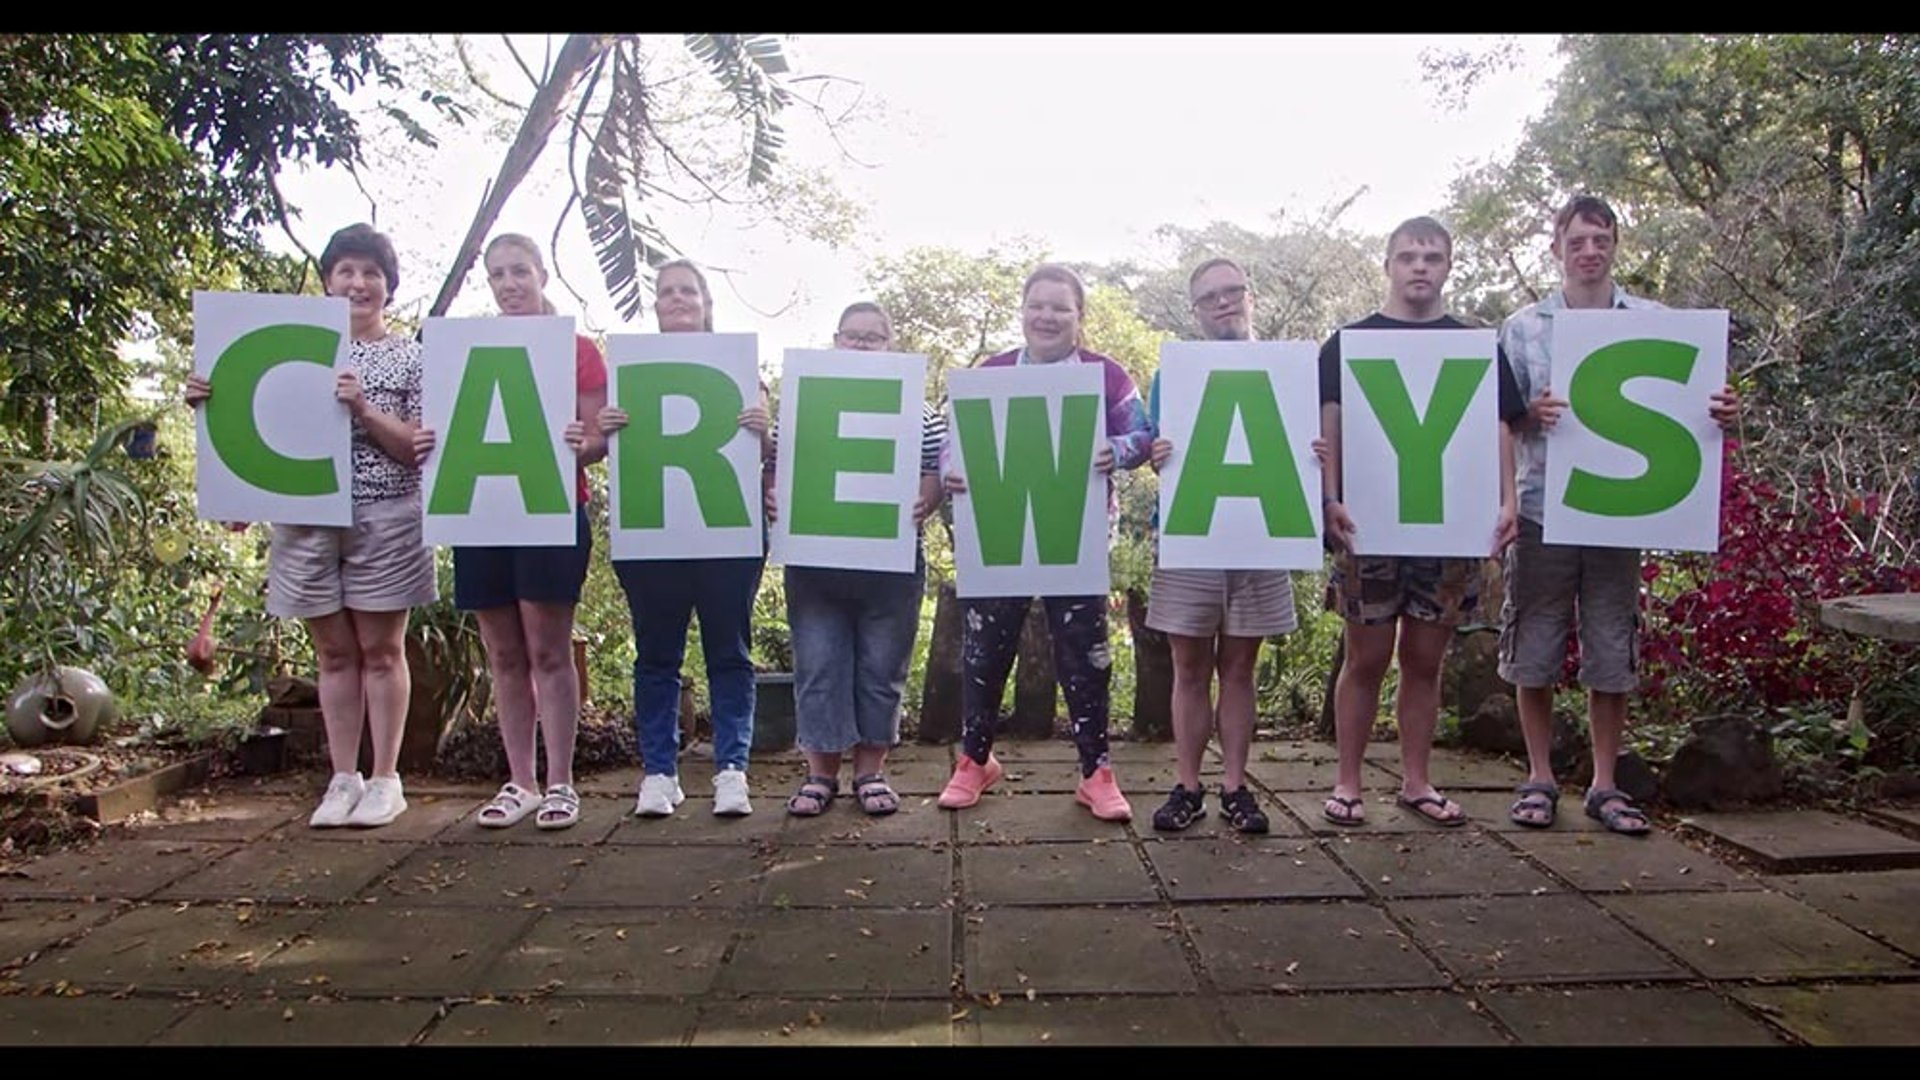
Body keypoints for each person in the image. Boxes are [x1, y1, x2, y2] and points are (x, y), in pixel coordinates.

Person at [1497, 194, 1740, 836]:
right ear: (1556, 248)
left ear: (1613, 246)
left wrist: (1719, 412)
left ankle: (1606, 784)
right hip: (1543, 508)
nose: (1589, 251)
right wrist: (1530, 416)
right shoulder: (1521, 328)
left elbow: (1690, 410)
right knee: (1535, 644)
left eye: (1600, 239)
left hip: (1619, 515)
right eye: (1576, 240)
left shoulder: (1656, 323)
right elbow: (1498, 422)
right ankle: (1540, 777)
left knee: (1612, 643)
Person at [184, 223, 437, 829]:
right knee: (332, 653)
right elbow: (252, 433)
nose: (359, 283)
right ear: (327, 281)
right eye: (346, 270)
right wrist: (209, 403)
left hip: (386, 513)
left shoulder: (412, 355)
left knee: (381, 650)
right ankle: (342, 777)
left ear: (389, 287)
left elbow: (419, 448)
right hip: (305, 515)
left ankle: (385, 780)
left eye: (372, 273)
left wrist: (363, 408)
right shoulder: (283, 346)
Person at [1318, 216, 1525, 828]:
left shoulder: (1476, 345)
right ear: (1387, 265)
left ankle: (1416, 781)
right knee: (1365, 657)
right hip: (1368, 525)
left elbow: (1500, 426)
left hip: (1449, 527)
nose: (1419, 266)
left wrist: (1507, 501)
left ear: (1448, 267)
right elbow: (1330, 424)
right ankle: (1348, 783)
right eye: (1408, 255)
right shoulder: (1347, 342)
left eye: (1432, 257)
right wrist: (1329, 499)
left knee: (1426, 661)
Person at [937, 263, 1153, 822]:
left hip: (1073, 537)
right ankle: (974, 760)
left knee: (1085, 657)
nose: (1047, 316)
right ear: (1023, 310)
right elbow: (951, 445)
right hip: (1000, 533)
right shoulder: (993, 371)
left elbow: (1143, 433)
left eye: (1061, 307)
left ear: (1080, 316)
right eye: (1038, 305)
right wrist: (952, 471)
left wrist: (1118, 450)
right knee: (985, 651)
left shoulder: (1106, 375)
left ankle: (1096, 772)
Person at [600, 259, 772, 817]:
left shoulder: (744, 373)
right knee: (656, 655)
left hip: (727, 535)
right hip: (652, 537)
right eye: (666, 292)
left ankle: (731, 770)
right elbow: (602, 450)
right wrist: (606, 429)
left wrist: (763, 431)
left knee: (730, 652)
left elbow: (774, 457)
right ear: (655, 305)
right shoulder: (626, 374)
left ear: (705, 303)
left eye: (687, 291)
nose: (677, 300)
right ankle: (659, 772)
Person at [454, 234, 608, 831]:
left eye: (520, 271)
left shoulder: (577, 350)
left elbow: (597, 441)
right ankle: (518, 780)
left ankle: (561, 783)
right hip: (480, 511)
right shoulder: (465, 349)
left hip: (552, 509)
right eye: (497, 275)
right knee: (503, 654)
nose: (509, 283)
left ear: (542, 274)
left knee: (549, 650)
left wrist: (582, 443)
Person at [773, 303, 944, 817]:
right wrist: (772, 495)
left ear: (890, 344)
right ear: (836, 339)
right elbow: (776, 464)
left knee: (881, 667)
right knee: (818, 665)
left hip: (890, 562)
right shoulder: (802, 401)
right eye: (853, 337)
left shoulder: (917, 406)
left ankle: (871, 771)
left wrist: (927, 497)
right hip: (814, 560)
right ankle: (820, 776)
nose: (863, 346)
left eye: (874, 337)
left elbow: (935, 466)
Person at [1143, 258, 1295, 834]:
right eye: (1211, 298)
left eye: (1232, 292)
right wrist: (1154, 452)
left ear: (1250, 296)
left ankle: (1236, 788)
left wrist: (1315, 454)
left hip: (1260, 535)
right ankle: (1187, 786)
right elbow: (1157, 448)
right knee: (1188, 666)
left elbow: (1306, 442)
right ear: (1196, 311)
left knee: (1238, 668)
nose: (1224, 303)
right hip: (1192, 533)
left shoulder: (1285, 369)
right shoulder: (1175, 372)